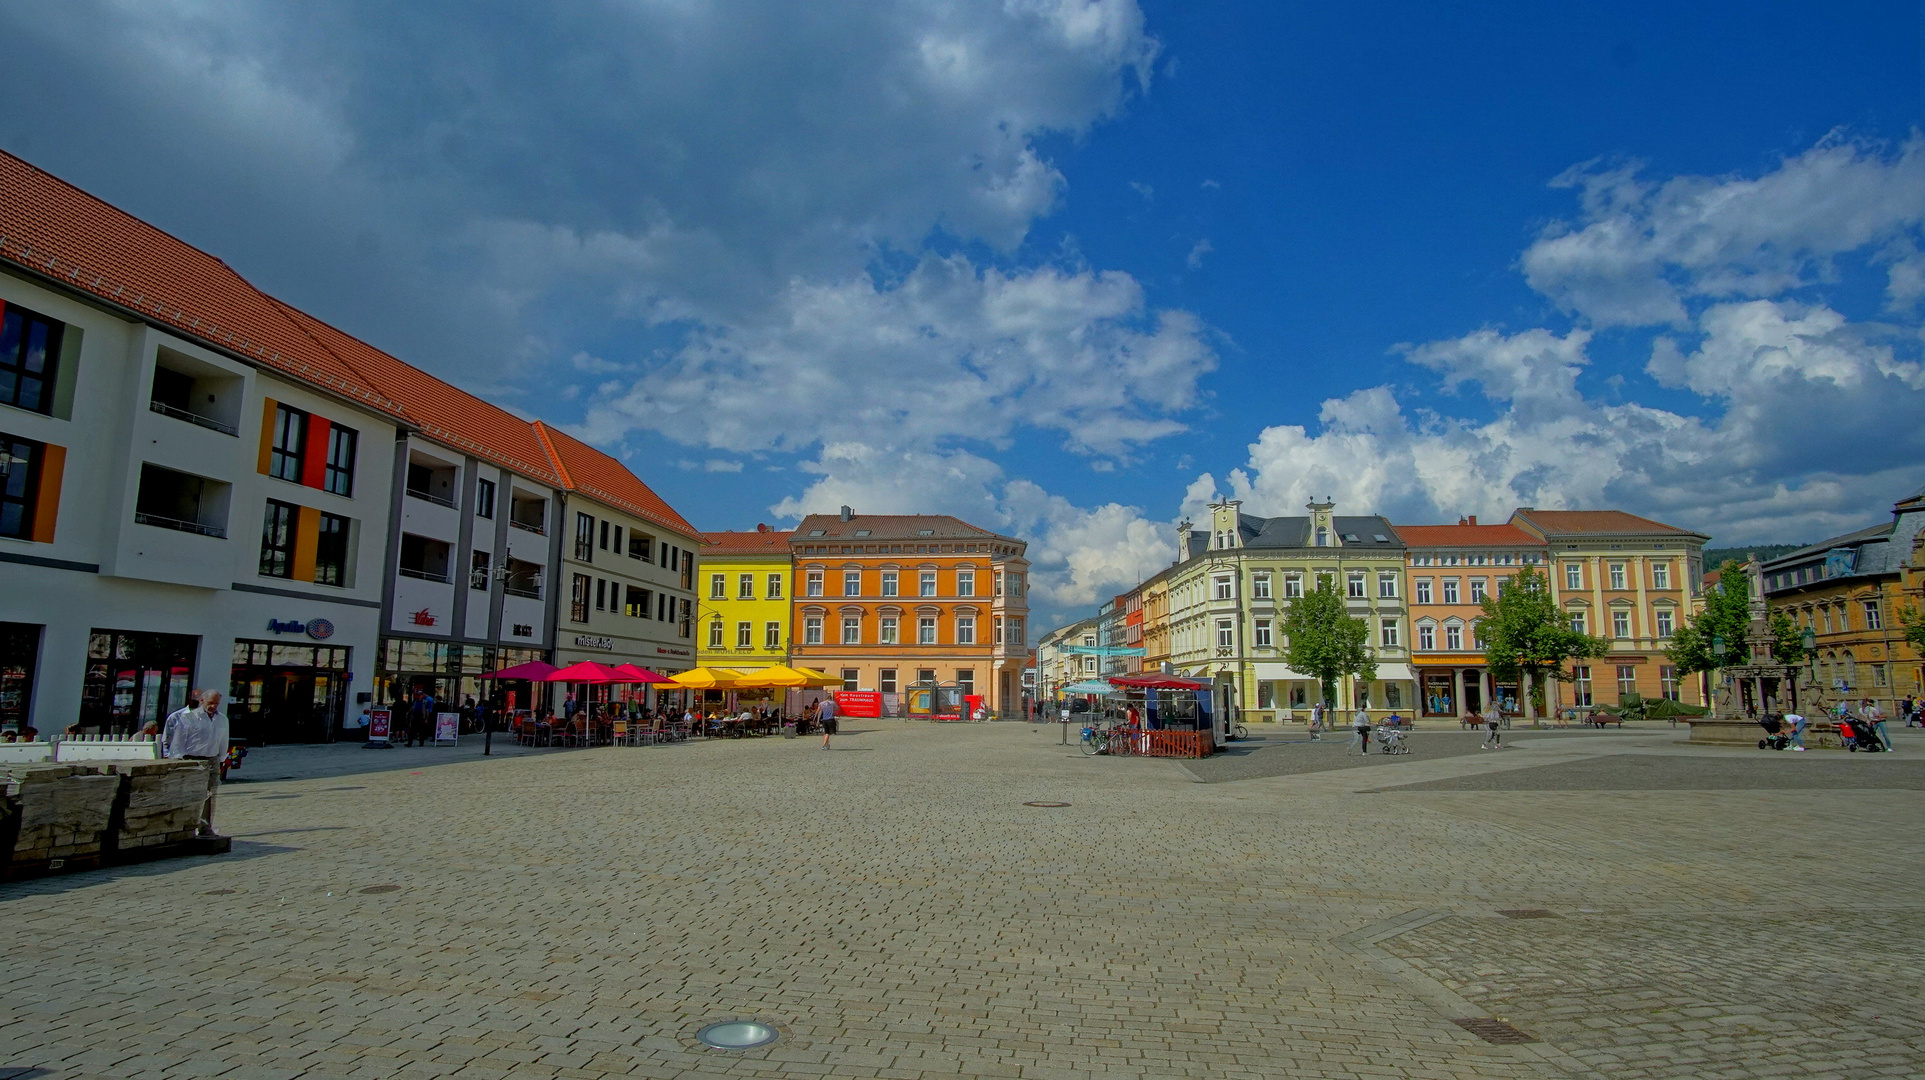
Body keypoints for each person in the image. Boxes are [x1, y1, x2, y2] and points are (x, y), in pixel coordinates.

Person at [161, 689, 230, 838]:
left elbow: (224, 739)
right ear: (202, 701)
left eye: (216, 703)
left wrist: (222, 758)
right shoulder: (188, 718)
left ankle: (205, 827)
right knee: (187, 793)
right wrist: (176, 758)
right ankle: (183, 826)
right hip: (191, 758)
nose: (213, 706)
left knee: (210, 795)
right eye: (211, 703)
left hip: (211, 759)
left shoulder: (222, 719)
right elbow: (177, 740)